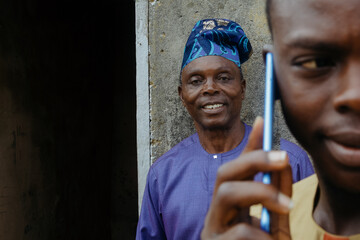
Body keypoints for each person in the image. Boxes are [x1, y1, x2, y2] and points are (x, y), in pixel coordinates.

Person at [136, 18, 314, 240]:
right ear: (182, 95)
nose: (210, 88)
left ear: (242, 88)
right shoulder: (162, 175)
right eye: (196, 80)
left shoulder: (288, 162)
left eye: (223, 78)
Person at [201, 1, 360, 240]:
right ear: (274, 76)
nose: (354, 95)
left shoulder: (291, 162)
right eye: (316, 62)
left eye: (223, 78)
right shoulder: (260, 223)